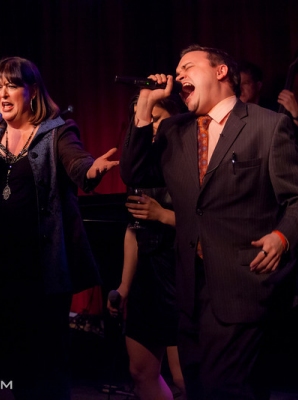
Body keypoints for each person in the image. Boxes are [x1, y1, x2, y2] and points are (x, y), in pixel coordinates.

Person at [120, 44, 298, 400]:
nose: (179, 74)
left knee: (225, 390)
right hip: (188, 291)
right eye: (177, 69)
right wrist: (145, 104)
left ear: (220, 72)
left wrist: (282, 236)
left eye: (188, 67)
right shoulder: (174, 131)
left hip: (242, 287)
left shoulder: (268, 126)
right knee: (196, 388)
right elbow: (134, 170)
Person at [0, 56, 119, 400]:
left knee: (47, 364)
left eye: (12, 85)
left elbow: (78, 165)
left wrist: (93, 171)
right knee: (12, 363)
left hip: (41, 270)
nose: (3, 93)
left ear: (31, 91)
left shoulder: (56, 131)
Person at [108, 95, 186, 400]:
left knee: (184, 378)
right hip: (148, 279)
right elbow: (133, 230)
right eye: (146, 119)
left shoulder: (192, 159)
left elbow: (211, 224)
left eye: (157, 118)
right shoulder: (140, 167)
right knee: (140, 372)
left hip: (179, 275)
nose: (151, 126)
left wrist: (163, 215)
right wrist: (124, 287)